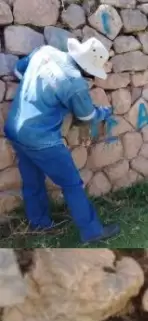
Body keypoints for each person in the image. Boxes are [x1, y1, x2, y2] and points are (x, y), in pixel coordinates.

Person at [4, 38, 119, 243]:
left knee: (32, 180)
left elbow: (19, 71)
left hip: (15, 128)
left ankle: (39, 223)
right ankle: (92, 232)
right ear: (87, 69)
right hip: (42, 139)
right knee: (72, 183)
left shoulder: (44, 52)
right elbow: (87, 116)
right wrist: (104, 112)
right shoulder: (74, 82)